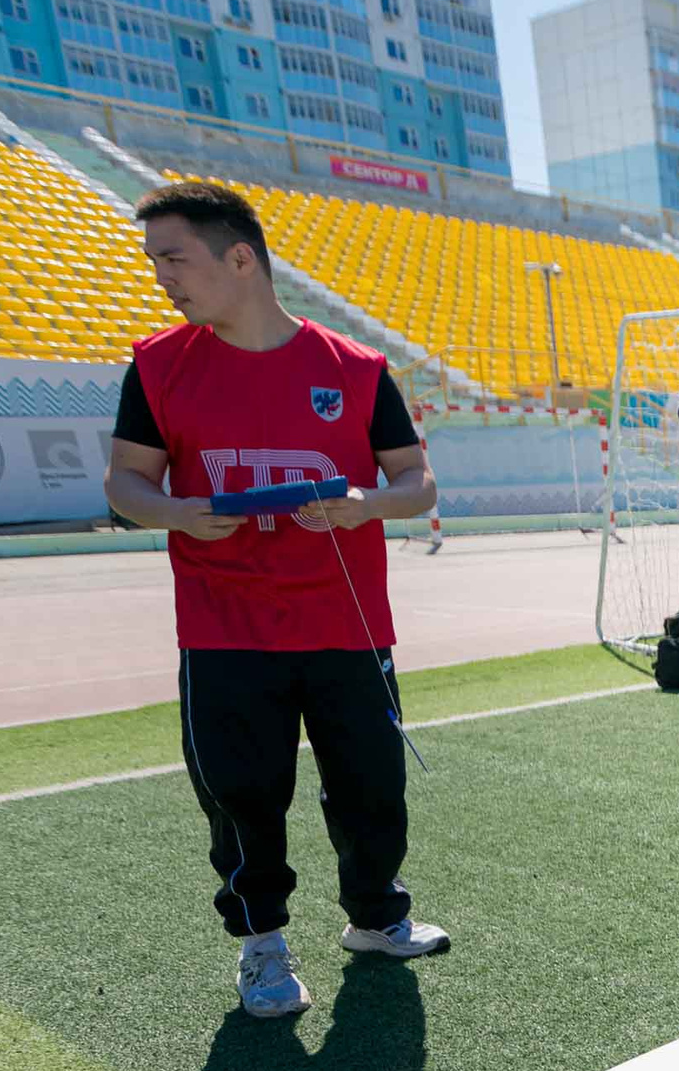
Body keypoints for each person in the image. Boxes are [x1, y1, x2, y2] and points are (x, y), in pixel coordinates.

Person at [100, 182, 448, 1020]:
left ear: (240, 257)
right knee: (243, 792)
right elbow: (124, 484)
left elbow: (418, 482)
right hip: (226, 630)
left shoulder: (356, 370)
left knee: (370, 785)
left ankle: (377, 917)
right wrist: (178, 513)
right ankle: (262, 945)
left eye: (174, 258)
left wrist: (365, 502)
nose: (163, 278)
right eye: (155, 262)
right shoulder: (157, 365)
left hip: (346, 623)